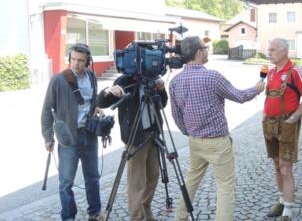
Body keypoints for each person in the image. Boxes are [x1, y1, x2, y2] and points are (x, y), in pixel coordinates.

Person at [169, 36, 265, 221]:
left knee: (192, 180)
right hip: (218, 142)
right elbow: (239, 96)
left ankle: (180, 217)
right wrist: (257, 89)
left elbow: (176, 116)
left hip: (194, 142)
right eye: (205, 48)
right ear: (198, 52)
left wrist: (190, 132)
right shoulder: (212, 77)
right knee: (225, 186)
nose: (207, 50)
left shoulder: (175, 82)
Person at [41, 43, 104, 221]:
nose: (76, 63)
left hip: (89, 135)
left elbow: (91, 100)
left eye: (81, 61)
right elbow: (47, 110)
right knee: (66, 183)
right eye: (73, 59)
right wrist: (47, 136)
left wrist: (96, 106)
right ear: (70, 59)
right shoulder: (58, 80)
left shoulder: (92, 76)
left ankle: (95, 212)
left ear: (88, 62)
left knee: (93, 178)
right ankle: (68, 217)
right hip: (69, 138)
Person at [96, 69, 168, 221]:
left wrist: (161, 90)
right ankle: (136, 217)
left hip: (153, 134)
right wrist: (109, 91)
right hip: (135, 138)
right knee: (136, 181)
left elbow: (162, 104)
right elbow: (101, 102)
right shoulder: (124, 81)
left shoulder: (153, 79)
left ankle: (145, 207)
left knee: (153, 176)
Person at [262, 38, 302, 221]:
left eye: (273, 49)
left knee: (286, 167)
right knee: (276, 164)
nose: (269, 52)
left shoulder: (296, 71)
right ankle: (282, 200)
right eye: (268, 49)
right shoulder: (270, 72)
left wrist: (293, 119)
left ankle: (288, 211)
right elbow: (268, 97)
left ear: (284, 51)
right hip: (269, 123)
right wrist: (264, 115)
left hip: (286, 124)